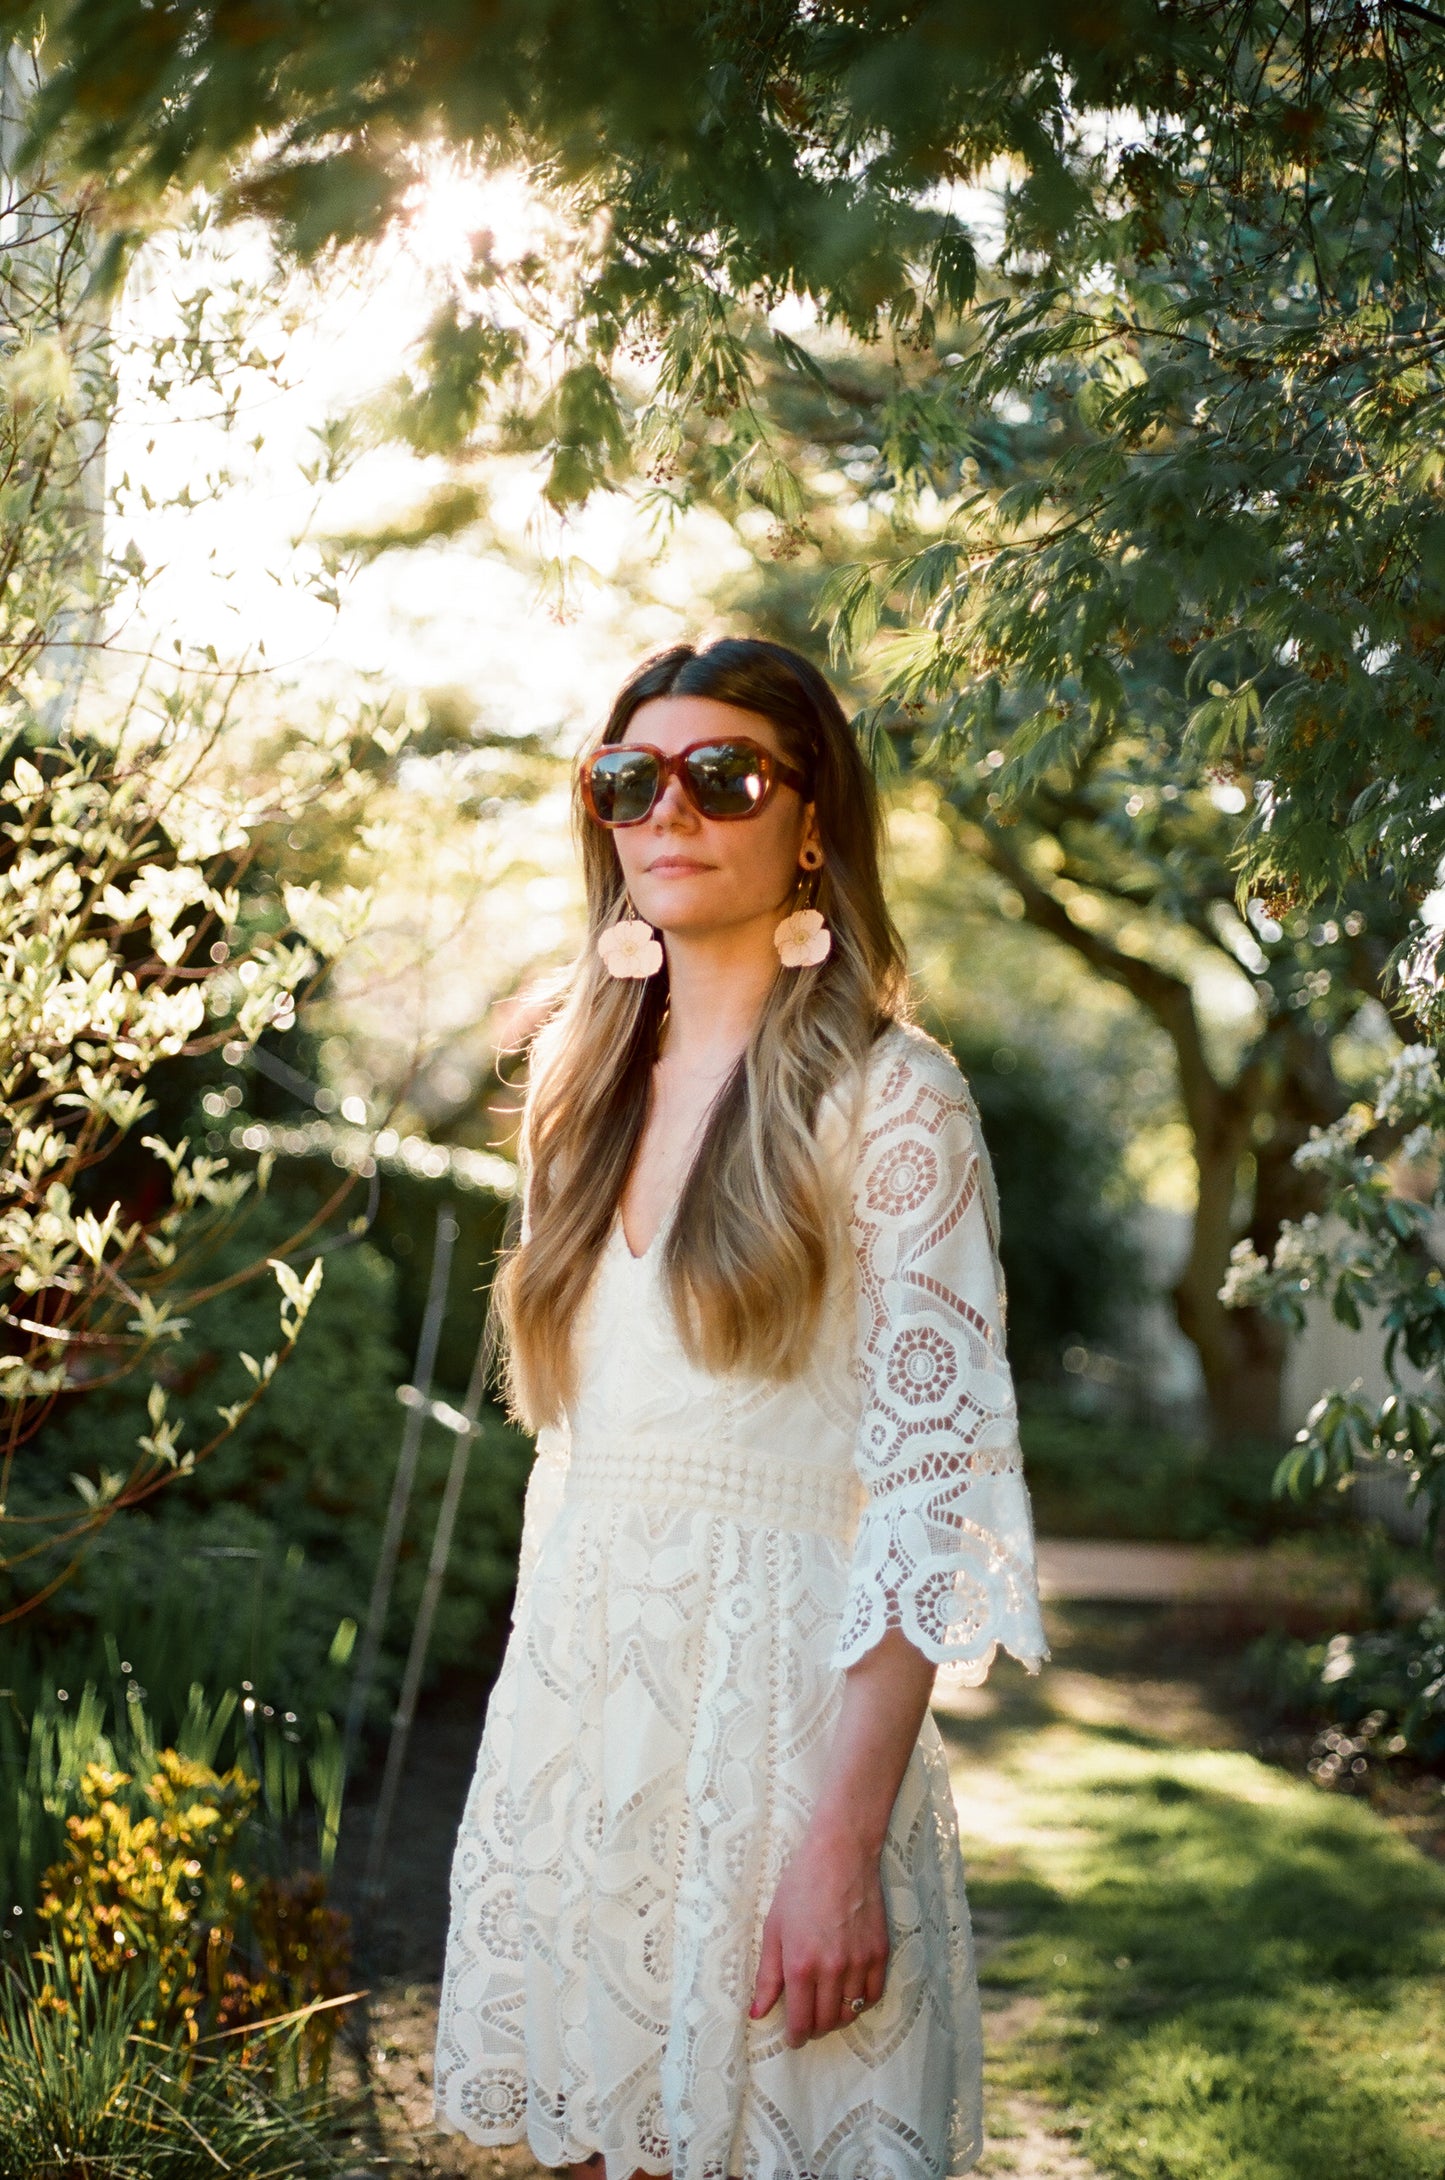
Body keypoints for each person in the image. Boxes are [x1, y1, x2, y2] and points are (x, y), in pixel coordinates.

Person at [433, 637, 1048, 2180]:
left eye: (724, 776)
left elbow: (931, 1492)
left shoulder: (893, 1096)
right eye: (630, 780)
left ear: (812, 820)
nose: (669, 812)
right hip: (578, 1718)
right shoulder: (575, 1088)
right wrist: (534, 1752)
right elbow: (564, 1464)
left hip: (777, 1729)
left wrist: (838, 1840)